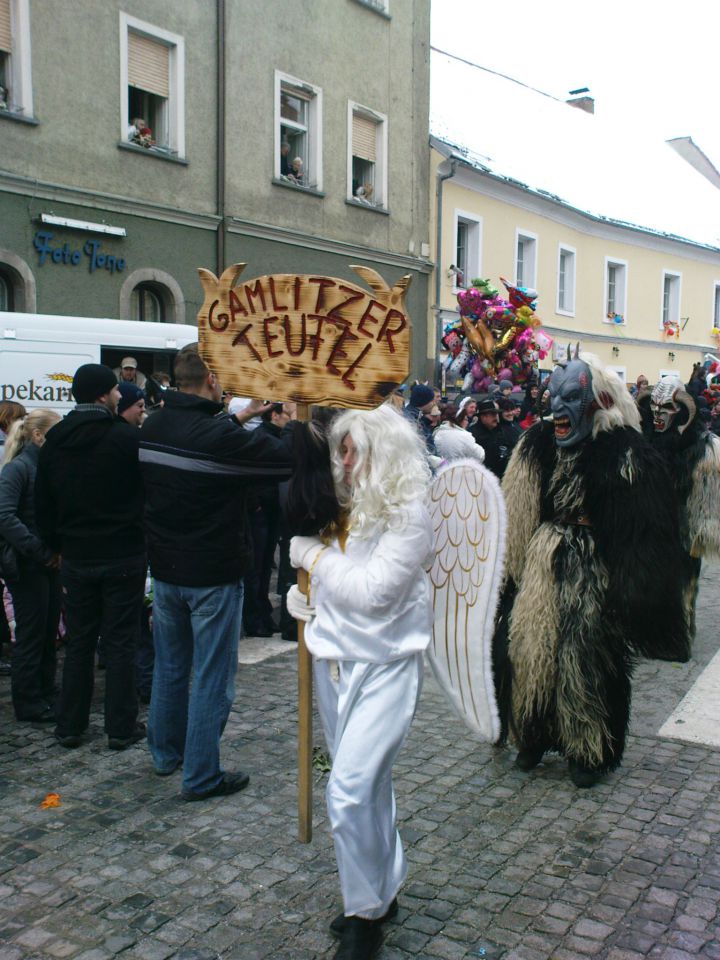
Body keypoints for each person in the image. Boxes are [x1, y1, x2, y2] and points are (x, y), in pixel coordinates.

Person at [495, 353, 688, 788]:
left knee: (587, 656)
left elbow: (646, 530)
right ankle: (530, 734)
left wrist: (635, 593)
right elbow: (517, 508)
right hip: (544, 561)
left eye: (570, 400)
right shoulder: (536, 443)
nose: (557, 412)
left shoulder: (625, 451)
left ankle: (589, 748)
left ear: (598, 401)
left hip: (595, 566)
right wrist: (508, 575)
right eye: (553, 399)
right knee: (530, 649)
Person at [287, 404, 433, 960]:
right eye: (339, 449)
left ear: (381, 450)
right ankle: (380, 887)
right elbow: (338, 589)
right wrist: (306, 602)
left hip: (388, 666)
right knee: (369, 787)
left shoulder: (411, 512)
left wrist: (315, 558)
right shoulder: (340, 503)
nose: (342, 461)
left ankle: (363, 914)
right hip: (333, 662)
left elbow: (375, 593)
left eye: (352, 450)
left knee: (347, 792)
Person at [138, 345, 295, 800]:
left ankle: (166, 754)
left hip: (166, 568)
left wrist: (241, 416)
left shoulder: (155, 424)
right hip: (211, 572)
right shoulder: (215, 436)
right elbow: (281, 461)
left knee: (170, 667)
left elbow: (201, 435)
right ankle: (202, 774)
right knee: (211, 676)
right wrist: (286, 424)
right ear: (211, 379)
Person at [35, 364, 147, 750]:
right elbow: (144, 494)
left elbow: (43, 504)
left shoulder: (56, 441)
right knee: (120, 642)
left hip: (77, 555)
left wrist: (55, 546)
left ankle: (70, 725)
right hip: (122, 553)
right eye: (116, 391)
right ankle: (120, 726)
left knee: (80, 642)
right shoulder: (124, 438)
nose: (121, 396)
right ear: (102, 395)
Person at [638, 375, 720, 638]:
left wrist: (702, 528)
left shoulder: (701, 447)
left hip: (682, 528)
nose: (659, 415)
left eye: (667, 409)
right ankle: (652, 633)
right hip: (652, 525)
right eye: (655, 408)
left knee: (683, 583)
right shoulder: (645, 442)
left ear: (681, 411)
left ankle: (679, 635)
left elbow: (707, 494)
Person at [0, 409, 61, 721]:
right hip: (27, 566)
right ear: (38, 436)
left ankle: (44, 690)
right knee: (32, 634)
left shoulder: (44, 467)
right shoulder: (19, 469)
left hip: (46, 563)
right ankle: (28, 700)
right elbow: (5, 517)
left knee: (48, 631)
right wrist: (39, 550)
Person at [242, 401, 294, 638]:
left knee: (264, 568)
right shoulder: (262, 437)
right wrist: (256, 503)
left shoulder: (274, 435)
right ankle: (255, 618)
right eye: (286, 414)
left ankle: (262, 613)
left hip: (271, 508)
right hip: (261, 509)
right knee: (257, 566)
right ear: (274, 415)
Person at [469, 396, 515, 478]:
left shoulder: (501, 431)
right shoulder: (472, 434)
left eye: (497, 414)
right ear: (483, 417)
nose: (496, 417)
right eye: (493, 414)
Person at [402, 383, 437, 454]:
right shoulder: (411, 420)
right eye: (432, 400)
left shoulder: (416, 417)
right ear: (424, 401)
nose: (434, 404)